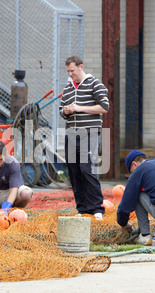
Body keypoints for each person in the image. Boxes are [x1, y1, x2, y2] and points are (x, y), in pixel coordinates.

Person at [59, 54, 110, 221]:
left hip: (89, 132)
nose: (70, 74)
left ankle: (97, 208)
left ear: (81, 67)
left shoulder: (95, 84)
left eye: (72, 70)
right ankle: (82, 208)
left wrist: (78, 108)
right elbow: (62, 110)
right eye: (68, 71)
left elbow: (104, 107)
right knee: (74, 171)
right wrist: (66, 111)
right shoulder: (67, 88)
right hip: (71, 133)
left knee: (87, 169)